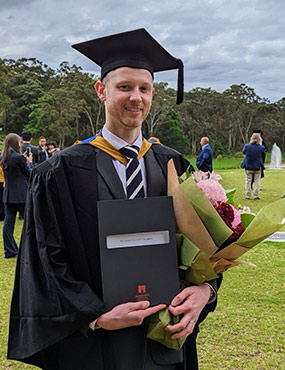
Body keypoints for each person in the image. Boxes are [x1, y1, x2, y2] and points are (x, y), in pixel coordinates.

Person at [7, 29, 221, 370]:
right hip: (91, 346)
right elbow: (47, 257)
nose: (135, 97)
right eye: (124, 86)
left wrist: (205, 291)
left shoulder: (174, 164)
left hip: (163, 342)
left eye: (144, 88)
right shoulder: (59, 171)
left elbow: (205, 248)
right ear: (101, 90)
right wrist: (95, 315)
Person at [0, 133, 32, 258]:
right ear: (15, 143)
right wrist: (28, 162)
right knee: (29, 221)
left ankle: (10, 250)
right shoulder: (19, 157)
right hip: (21, 194)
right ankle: (28, 249)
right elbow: (28, 173)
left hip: (8, 193)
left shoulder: (3, 157)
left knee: (8, 223)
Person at [241, 133, 265, 200]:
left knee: (248, 181)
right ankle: (256, 195)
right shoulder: (261, 148)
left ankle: (248, 195)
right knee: (257, 181)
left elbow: (243, 152)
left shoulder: (247, 146)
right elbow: (263, 155)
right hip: (257, 166)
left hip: (248, 166)